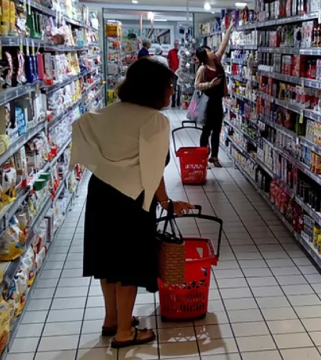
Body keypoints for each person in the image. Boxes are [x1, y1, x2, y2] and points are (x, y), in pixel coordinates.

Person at [70, 57, 194, 349]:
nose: (170, 93)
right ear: (153, 89)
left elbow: (81, 127)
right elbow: (153, 171)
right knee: (128, 266)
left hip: (100, 193)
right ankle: (125, 331)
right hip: (133, 199)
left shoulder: (104, 113)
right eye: (167, 87)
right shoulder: (154, 121)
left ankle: (111, 319)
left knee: (107, 260)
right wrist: (166, 202)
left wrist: (104, 165)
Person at [194, 25, 233, 167]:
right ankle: (202, 156)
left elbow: (223, 45)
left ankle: (215, 157)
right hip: (207, 103)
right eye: (208, 51)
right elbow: (197, 85)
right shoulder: (202, 69)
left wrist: (228, 30)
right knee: (206, 131)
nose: (211, 51)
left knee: (217, 130)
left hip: (218, 102)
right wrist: (210, 84)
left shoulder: (217, 61)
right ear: (204, 56)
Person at [167, 40, 180, 107]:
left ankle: (178, 102)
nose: (176, 45)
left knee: (180, 88)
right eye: (175, 44)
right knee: (174, 87)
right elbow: (168, 60)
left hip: (180, 72)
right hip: (173, 72)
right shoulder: (171, 52)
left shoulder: (181, 52)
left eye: (177, 44)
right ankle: (173, 103)